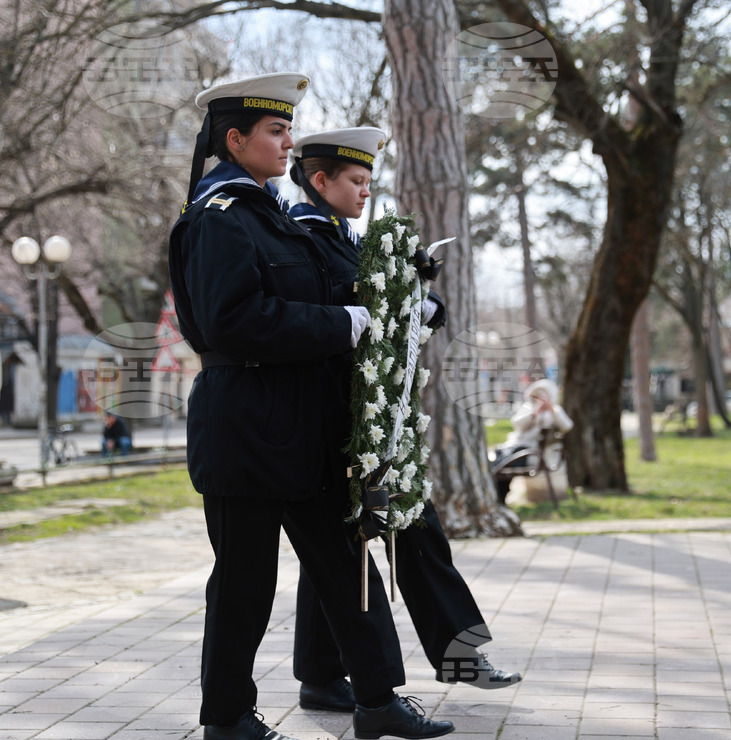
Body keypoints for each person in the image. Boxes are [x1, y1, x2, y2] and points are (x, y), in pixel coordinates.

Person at [168, 75, 453, 740]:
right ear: (234, 140)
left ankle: (378, 700)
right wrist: (340, 325)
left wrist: (393, 308)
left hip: (305, 427)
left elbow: (330, 289)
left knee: (346, 564)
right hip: (245, 428)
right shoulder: (218, 220)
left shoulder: (269, 216)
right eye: (275, 130)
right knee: (244, 585)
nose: (288, 140)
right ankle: (228, 717)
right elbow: (230, 321)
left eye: (288, 128)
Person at [286, 128, 520, 716]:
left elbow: (384, 318)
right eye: (356, 182)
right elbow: (346, 319)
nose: (366, 192)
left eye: (369, 182)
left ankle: (320, 673)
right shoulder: (303, 241)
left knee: (344, 549)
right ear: (321, 181)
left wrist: (422, 298)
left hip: (365, 418)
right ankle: (458, 653)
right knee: (406, 526)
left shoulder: (345, 239)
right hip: (339, 423)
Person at [491, 378, 573, 505]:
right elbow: (517, 424)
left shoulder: (555, 411)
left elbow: (567, 426)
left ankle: (499, 498)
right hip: (515, 449)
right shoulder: (528, 408)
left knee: (500, 467)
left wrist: (551, 410)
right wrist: (534, 414)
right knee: (498, 464)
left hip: (528, 452)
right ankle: (499, 496)